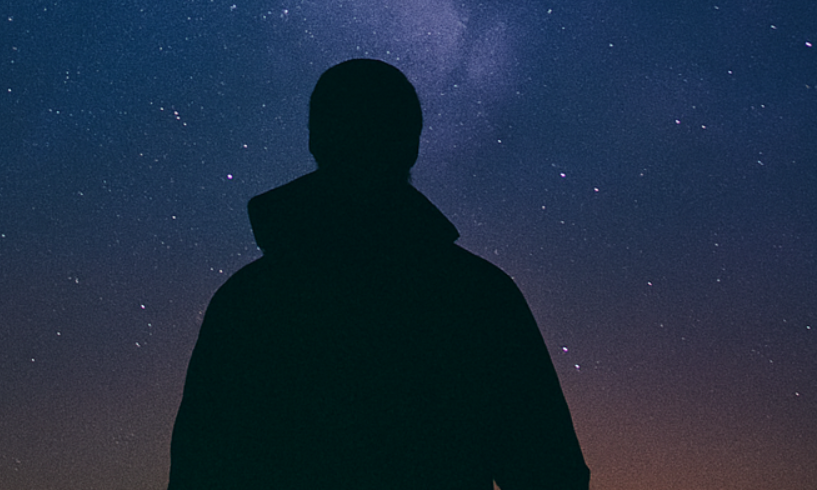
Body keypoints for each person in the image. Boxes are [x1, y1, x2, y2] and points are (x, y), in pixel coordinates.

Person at [168, 59, 589, 490]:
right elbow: (551, 470)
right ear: (411, 147)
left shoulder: (248, 302)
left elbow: (198, 470)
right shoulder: (479, 299)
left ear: (315, 141)